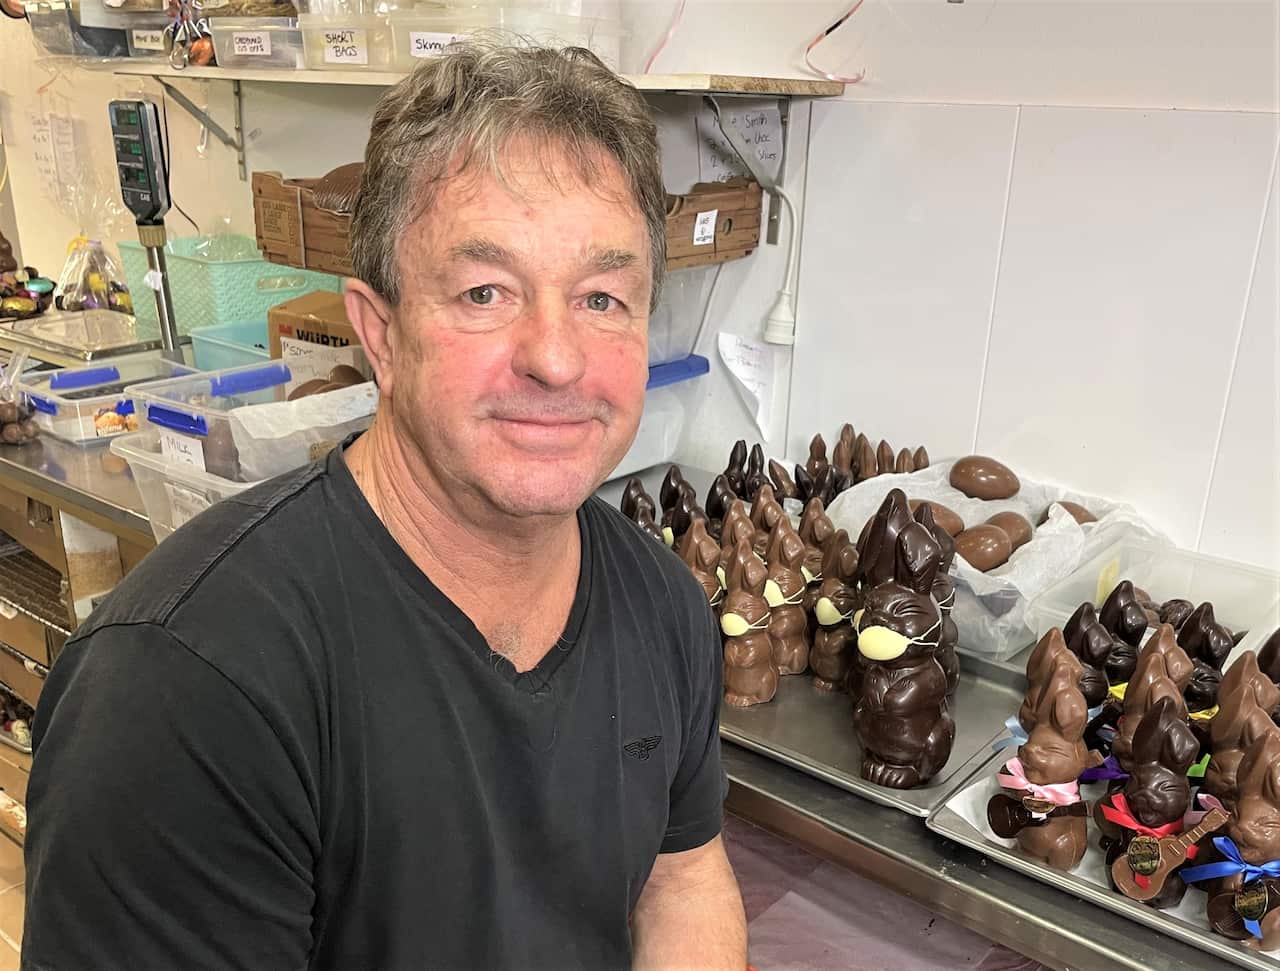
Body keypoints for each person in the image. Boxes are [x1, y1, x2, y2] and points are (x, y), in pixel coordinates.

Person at [23, 43, 746, 970]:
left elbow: (681, 881)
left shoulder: (663, 605)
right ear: (380, 334)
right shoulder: (186, 685)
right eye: (485, 292)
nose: (557, 358)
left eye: (603, 298)